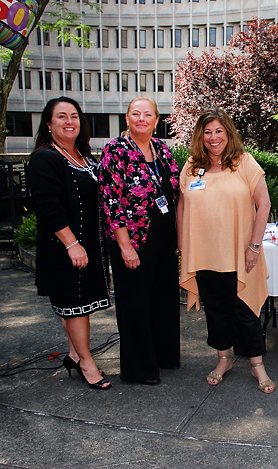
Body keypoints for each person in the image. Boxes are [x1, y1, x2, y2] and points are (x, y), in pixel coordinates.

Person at [177, 108, 275, 393]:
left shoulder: (244, 162)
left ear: (228, 133)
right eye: (207, 132)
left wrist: (254, 247)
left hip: (237, 253)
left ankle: (257, 365)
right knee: (216, 311)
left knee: (244, 312)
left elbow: (264, 204)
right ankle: (224, 360)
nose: (213, 137)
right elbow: (182, 205)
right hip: (204, 255)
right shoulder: (193, 165)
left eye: (219, 131)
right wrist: (182, 243)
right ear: (200, 136)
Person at [26, 97, 112, 390]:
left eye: (74, 116)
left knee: (77, 306)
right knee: (74, 305)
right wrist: (72, 244)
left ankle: (75, 354)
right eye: (61, 117)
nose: (69, 121)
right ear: (48, 124)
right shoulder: (45, 158)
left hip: (88, 244)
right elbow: (48, 207)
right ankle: (87, 364)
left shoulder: (84, 157)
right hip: (66, 247)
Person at [99, 97, 180, 385]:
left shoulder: (162, 150)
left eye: (148, 115)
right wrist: (125, 247)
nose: (142, 119)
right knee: (135, 305)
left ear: (157, 121)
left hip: (163, 239)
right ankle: (139, 369)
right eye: (136, 114)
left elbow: (176, 192)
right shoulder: (115, 151)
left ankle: (164, 357)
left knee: (163, 301)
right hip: (133, 241)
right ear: (127, 118)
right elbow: (110, 202)